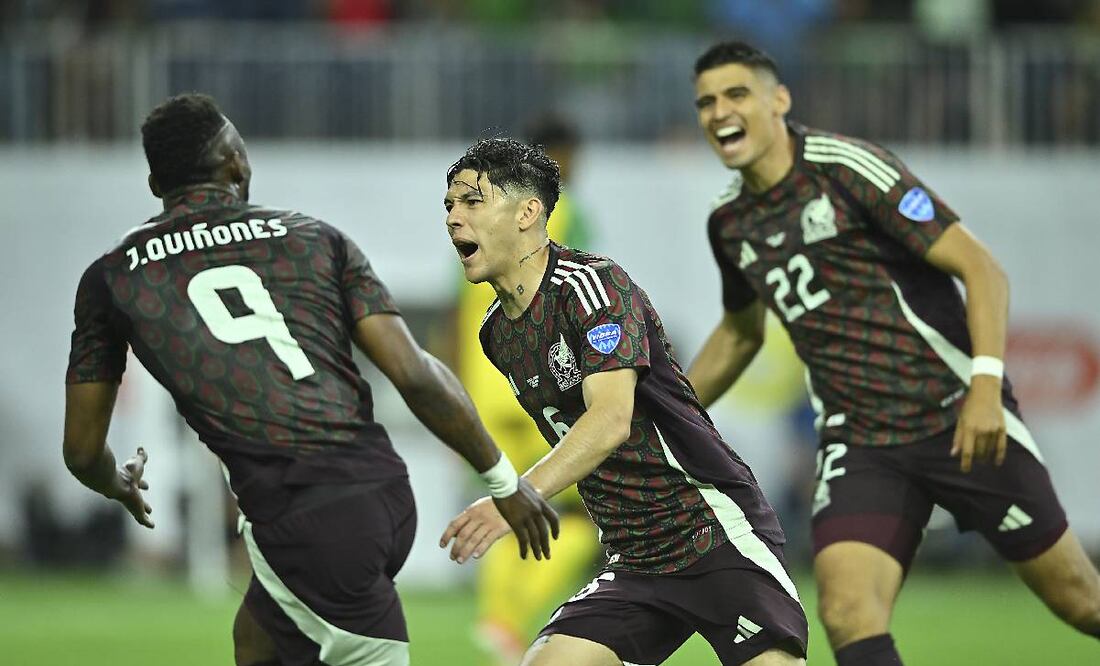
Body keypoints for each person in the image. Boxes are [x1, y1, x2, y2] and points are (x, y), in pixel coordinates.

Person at [62, 93, 559, 666]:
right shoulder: (314, 239)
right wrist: (503, 480)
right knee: (257, 643)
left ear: (155, 183)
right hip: (377, 492)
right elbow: (416, 375)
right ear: (236, 166)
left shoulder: (113, 278)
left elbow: (80, 450)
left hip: (306, 523)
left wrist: (115, 481)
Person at [687, 40, 1100, 665]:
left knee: (1080, 602)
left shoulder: (848, 169)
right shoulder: (729, 223)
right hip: (864, 442)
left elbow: (982, 269)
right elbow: (741, 332)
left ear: (779, 100)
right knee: (848, 612)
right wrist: (665, 413)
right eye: (706, 102)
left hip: (958, 417)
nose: (720, 112)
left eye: (736, 94)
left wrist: (985, 387)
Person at [438, 138, 807, 666]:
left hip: (710, 532)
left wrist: (515, 495)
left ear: (528, 212)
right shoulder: (497, 334)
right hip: (634, 559)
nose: (454, 218)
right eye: (449, 205)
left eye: (472, 202)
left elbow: (610, 420)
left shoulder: (592, 285)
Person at [457, 115, 600, 663]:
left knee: (511, 497)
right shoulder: (564, 216)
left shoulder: (478, 223)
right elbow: (575, 291)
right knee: (579, 515)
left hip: (487, 386)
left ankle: (498, 618)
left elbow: (457, 307)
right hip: (545, 383)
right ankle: (517, 613)